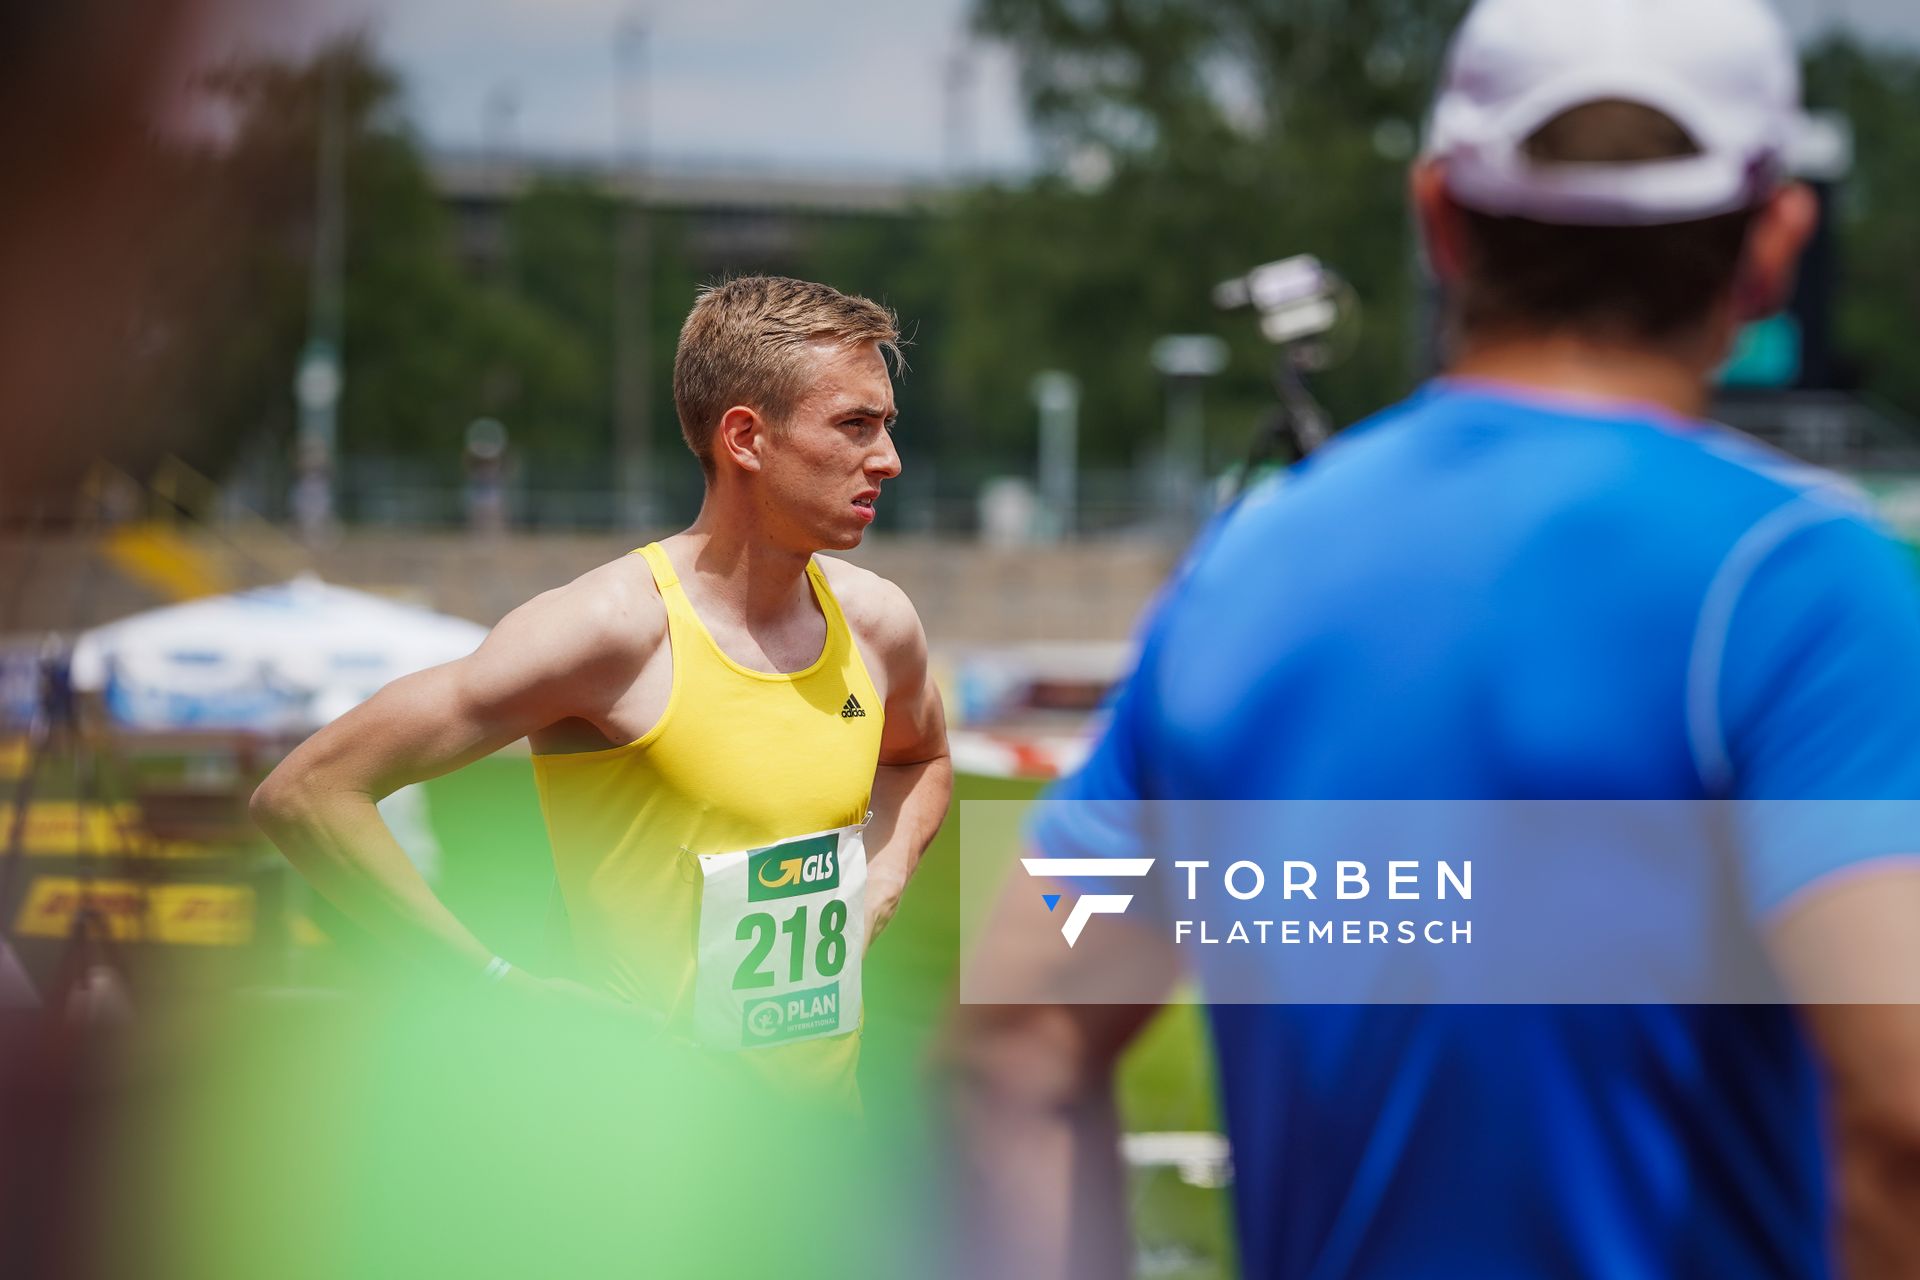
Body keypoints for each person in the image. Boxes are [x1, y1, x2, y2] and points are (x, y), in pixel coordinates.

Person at [948, 1, 1920, 1275]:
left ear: (1440, 217)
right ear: (1776, 239)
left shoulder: (1249, 563)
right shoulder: (1799, 579)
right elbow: (1901, 1115)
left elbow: (1016, 1035)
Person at [253, 276, 952, 1100]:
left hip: (816, 1165)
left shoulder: (879, 626)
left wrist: (887, 873)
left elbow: (922, 758)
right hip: (636, 1175)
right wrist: (492, 986)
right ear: (745, 439)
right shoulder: (607, 629)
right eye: (855, 426)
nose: (889, 460)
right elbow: (306, 793)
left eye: (887, 426)